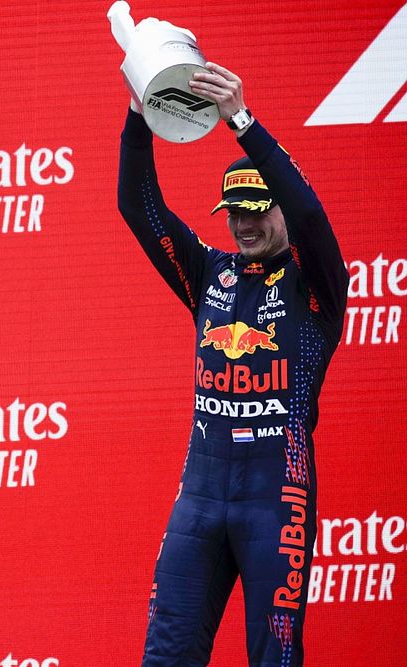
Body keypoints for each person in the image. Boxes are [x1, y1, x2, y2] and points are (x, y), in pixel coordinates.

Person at [117, 62, 349, 666]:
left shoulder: (315, 284)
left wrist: (242, 123)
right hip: (200, 496)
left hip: (277, 500)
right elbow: (138, 209)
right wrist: (141, 115)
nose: (245, 223)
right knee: (166, 654)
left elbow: (311, 217)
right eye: (235, 211)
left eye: (257, 209)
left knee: (274, 658)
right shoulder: (209, 274)